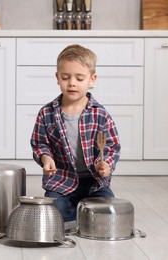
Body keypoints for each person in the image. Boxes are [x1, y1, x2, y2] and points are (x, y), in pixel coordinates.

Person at [30, 44, 121, 224]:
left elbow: (111, 147)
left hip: (94, 181)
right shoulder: (46, 113)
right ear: (57, 78)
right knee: (55, 213)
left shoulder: (100, 114)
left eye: (79, 78)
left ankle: (85, 213)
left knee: (109, 212)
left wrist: (107, 165)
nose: (72, 83)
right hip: (61, 180)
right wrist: (45, 158)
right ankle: (80, 216)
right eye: (65, 77)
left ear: (92, 79)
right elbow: (40, 144)